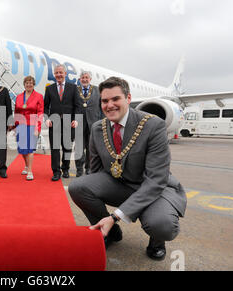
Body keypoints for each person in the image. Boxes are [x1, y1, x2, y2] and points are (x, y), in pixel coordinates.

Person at [68, 77, 187, 261]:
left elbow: (156, 180)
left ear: (128, 98)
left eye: (115, 99)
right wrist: (91, 191)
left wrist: (116, 215)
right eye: (105, 101)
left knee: (162, 225)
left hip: (154, 189)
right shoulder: (98, 128)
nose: (109, 105)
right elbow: (95, 171)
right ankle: (111, 232)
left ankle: (156, 242)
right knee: (78, 186)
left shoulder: (153, 125)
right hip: (121, 185)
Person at [44, 64, 80, 181]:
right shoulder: (49, 88)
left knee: (67, 148)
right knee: (55, 149)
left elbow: (77, 106)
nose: (59, 75)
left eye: (61, 72)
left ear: (65, 74)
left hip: (68, 123)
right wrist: (47, 118)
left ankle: (65, 169)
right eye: (57, 73)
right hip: (54, 123)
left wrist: (75, 119)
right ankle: (56, 171)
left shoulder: (73, 88)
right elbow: (45, 106)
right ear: (54, 74)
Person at [14, 76, 44, 181]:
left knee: (30, 148)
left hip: (32, 124)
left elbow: (40, 113)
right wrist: (15, 127)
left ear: (33, 84)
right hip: (21, 125)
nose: (28, 84)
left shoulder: (39, 96)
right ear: (24, 84)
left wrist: (37, 128)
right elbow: (16, 111)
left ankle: (30, 171)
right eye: (27, 83)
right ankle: (26, 166)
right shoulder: (19, 96)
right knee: (22, 149)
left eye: (30, 83)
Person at [74, 71, 104, 177]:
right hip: (79, 123)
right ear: (79, 79)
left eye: (86, 77)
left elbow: (102, 107)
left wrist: (102, 121)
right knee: (78, 148)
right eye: (82, 78)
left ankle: (89, 168)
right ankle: (79, 169)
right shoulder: (75, 90)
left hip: (93, 123)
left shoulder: (97, 90)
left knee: (91, 148)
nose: (84, 79)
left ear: (90, 79)